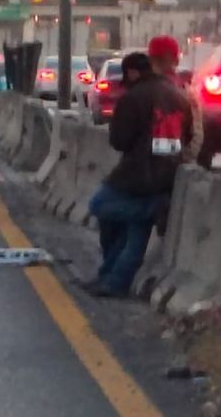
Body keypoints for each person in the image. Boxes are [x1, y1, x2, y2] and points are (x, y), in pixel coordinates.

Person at [86, 51, 193, 298]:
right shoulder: (179, 97)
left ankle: (152, 211)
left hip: (136, 173)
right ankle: (112, 281)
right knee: (134, 234)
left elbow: (119, 141)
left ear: (133, 72)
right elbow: (186, 137)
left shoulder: (133, 98)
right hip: (168, 174)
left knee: (100, 205)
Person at [147, 35, 203, 166]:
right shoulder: (186, 93)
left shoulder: (141, 90)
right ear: (176, 61)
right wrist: (183, 159)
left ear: (150, 61)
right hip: (173, 164)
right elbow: (196, 134)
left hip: (145, 165)